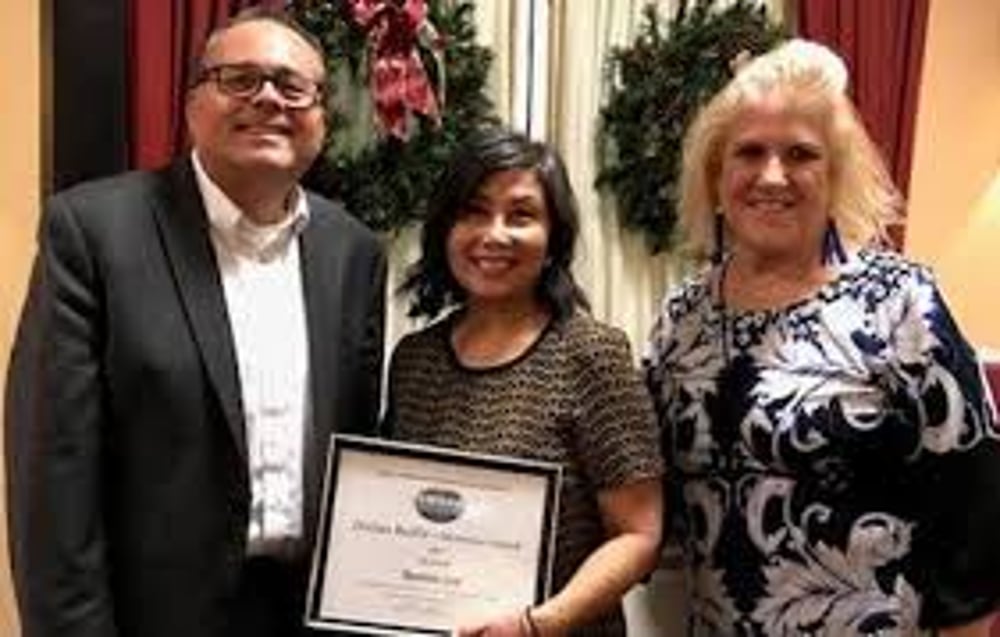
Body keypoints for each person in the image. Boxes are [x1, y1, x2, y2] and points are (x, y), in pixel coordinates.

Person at [4, 9, 386, 637]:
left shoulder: (354, 253)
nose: (268, 98)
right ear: (192, 106)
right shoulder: (95, 234)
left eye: (293, 87)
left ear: (321, 117)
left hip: (310, 616)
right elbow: (53, 478)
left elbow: (357, 444)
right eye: (240, 79)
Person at [644, 39, 1000, 637]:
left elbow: (979, 507)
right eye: (749, 152)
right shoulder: (682, 314)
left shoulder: (900, 301)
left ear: (835, 175)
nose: (772, 175)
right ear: (716, 176)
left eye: (801, 155)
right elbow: (649, 493)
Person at [383, 128, 664, 637]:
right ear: (445, 229)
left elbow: (639, 535)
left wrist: (538, 625)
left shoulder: (591, 355)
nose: (494, 234)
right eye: (473, 211)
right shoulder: (414, 361)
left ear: (554, 238)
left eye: (521, 215)